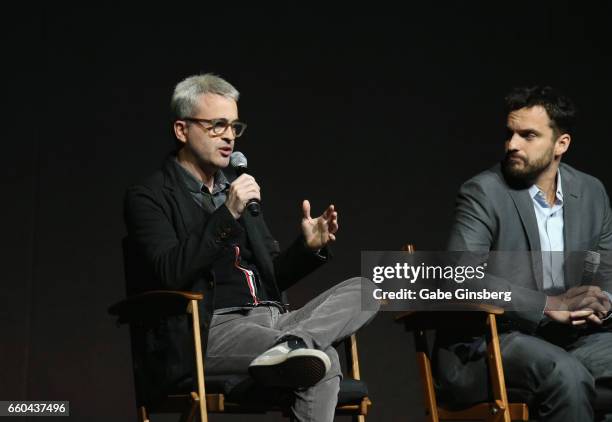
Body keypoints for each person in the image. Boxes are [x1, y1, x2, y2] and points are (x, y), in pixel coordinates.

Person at [123, 73, 379, 422]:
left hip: (273, 320)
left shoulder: (237, 192)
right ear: (182, 130)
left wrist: (307, 248)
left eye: (233, 126)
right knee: (325, 361)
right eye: (216, 125)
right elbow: (169, 271)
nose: (229, 136)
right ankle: (296, 349)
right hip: (211, 331)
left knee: (368, 288)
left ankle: (294, 345)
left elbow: (271, 276)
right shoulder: (150, 197)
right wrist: (227, 213)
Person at [436, 86, 612, 421]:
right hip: (491, 342)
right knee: (566, 375)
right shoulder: (483, 192)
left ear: (561, 144)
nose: (512, 145)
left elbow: (607, 270)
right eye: (510, 134)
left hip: (573, 338)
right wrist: (548, 305)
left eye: (528, 135)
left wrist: (601, 299)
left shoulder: (591, 192)